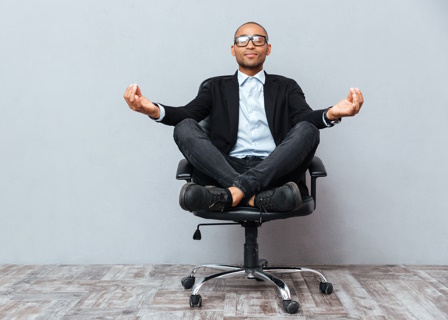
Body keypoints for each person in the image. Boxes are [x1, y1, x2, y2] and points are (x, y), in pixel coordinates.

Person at [124, 22, 364, 213]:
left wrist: (332, 113)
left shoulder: (286, 86)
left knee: (308, 130)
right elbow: (188, 113)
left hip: (275, 168)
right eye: (243, 40)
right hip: (226, 166)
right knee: (184, 126)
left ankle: (230, 196)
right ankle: (256, 198)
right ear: (233, 49)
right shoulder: (215, 87)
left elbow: (304, 117)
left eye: (258, 40)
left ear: (267, 49)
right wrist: (152, 109)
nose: (250, 44)